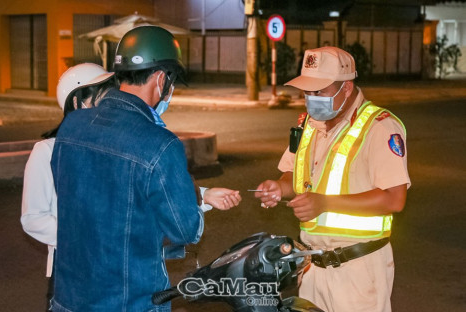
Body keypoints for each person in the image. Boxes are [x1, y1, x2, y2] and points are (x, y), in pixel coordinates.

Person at [49, 26, 240, 312]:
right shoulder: (160, 144)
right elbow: (184, 230)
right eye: (171, 81)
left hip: (68, 299)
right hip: (129, 303)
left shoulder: (72, 126)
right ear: (162, 79)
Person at [255, 46, 410, 312]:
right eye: (307, 91)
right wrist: (278, 187)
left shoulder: (379, 126)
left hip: (359, 271)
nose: (311, 98)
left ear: (346, 88)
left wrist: (326, 203)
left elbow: (395, 199)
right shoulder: (308, 125)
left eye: (320, 92)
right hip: (312, 266)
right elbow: (295, 175)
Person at [21, 63, 116, 311]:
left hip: (115, 267)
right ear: (77, 103)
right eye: (102, 98)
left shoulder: (114, 146)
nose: (109, 106)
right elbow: (33, 218)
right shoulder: (47, 151)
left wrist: (200, 197)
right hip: (71, 273)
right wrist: (83, 234)